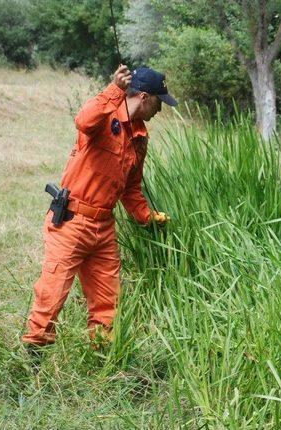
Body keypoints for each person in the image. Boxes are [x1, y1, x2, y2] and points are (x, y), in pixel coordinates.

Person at [22, 65, 176, 347]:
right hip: (71, 221)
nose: (160, 109)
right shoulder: (104, 116)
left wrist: (148, 217)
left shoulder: (140, 138)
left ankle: (102, 356)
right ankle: (33, 357)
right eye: (159, 101)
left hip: (104, 228)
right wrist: (114, 89)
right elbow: (83, 120)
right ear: (143, 97)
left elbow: (131, 189)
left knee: (108, 302)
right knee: (52, 296)